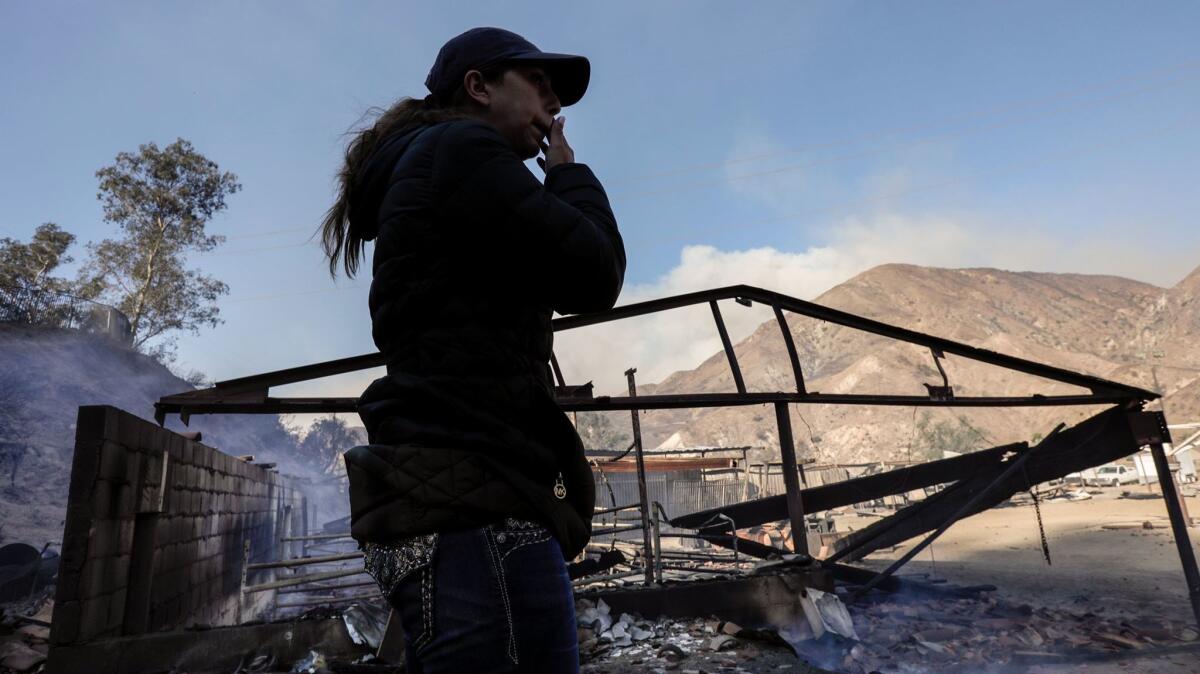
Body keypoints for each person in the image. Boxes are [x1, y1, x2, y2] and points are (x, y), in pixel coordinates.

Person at [320, 27, 625, 673]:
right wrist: (569, 172)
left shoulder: (440, 164)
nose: (554, 108)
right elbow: (595, 276)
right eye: (538, 85)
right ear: (479, 86)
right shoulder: (461, 149)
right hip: (473, 495)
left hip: (466, 489)